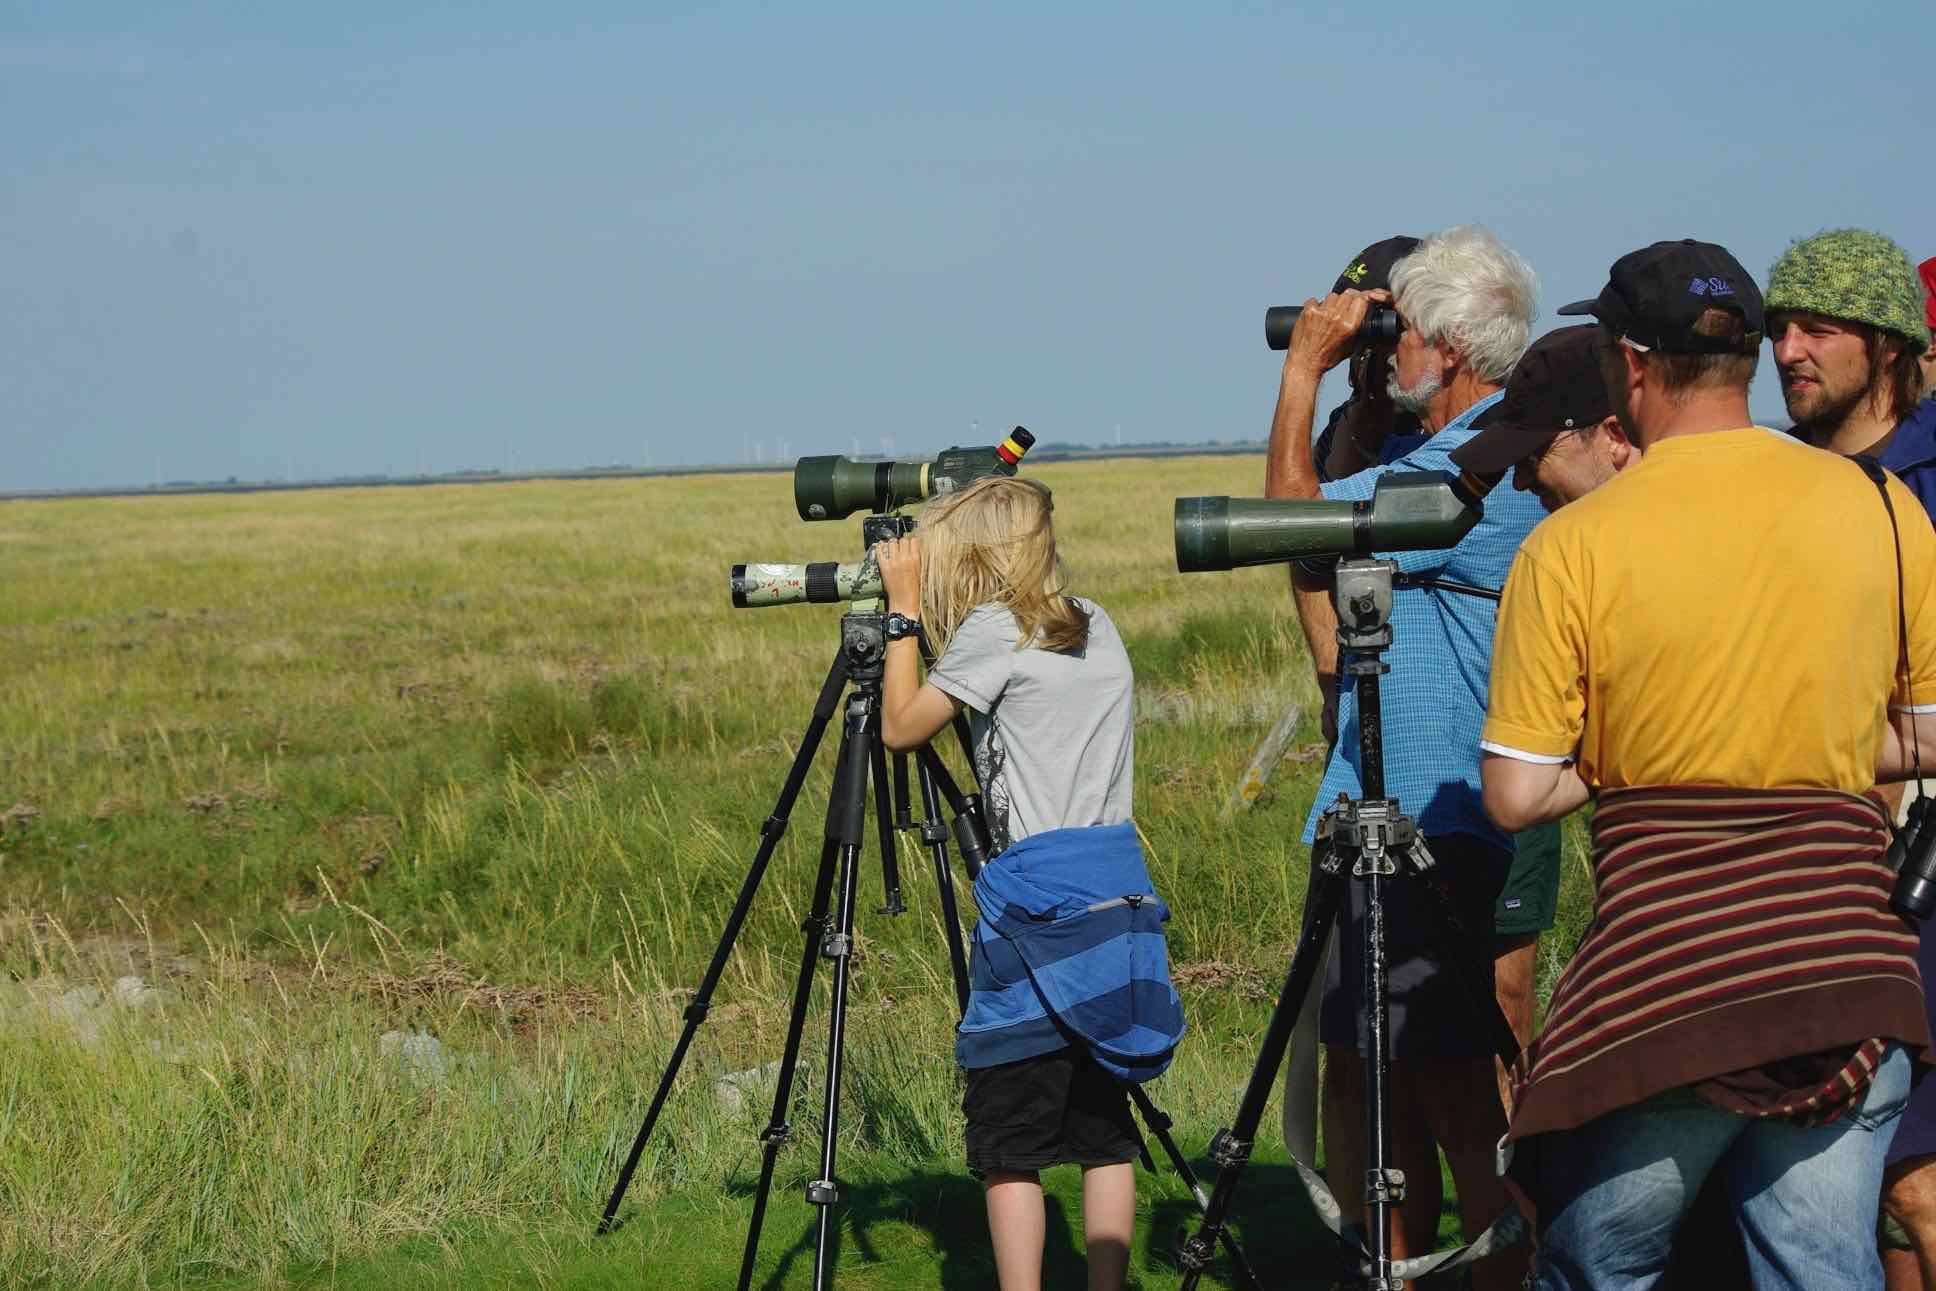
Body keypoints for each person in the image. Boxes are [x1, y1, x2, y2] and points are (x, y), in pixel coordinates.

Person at [1481, 238, 1935, 1291]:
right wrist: (1797, 732)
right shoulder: (1879, 507)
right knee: (1820, 1265)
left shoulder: (1573, 544)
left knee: (1600, 1261)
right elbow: (1923, 733)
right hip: (1845, 967)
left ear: (1630, 367)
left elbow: (1514, 793)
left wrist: (1630, 749)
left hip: (1674, 977)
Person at [1264, 224, 1542, 1290]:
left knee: (1443, 1098)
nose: (1390, 353)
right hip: (1415, 809)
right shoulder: (1480, 453)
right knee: (1411, 1082)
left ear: (1453, 348)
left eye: (1403, 334)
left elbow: (1282, 523)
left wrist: (1303, 373)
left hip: (1423, 815)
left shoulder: (1458, 473)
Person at [876, 475, 1182, 1291]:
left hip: (1033, 912)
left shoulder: (992, 631)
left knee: (1010, 1140)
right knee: (1102, 1128)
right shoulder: (1096, 623)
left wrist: (903, 611)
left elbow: (901, 727)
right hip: (1116, 903)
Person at [1766, 228, 1936, 1291]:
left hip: (1912, 862)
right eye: (1779, 327)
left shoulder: (1922, 481)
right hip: (1815, 875)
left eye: (1818, 327)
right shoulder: (1784, 487)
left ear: (1884, 344)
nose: (1788, 350)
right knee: (1873, 1177)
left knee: (1913, 1174)